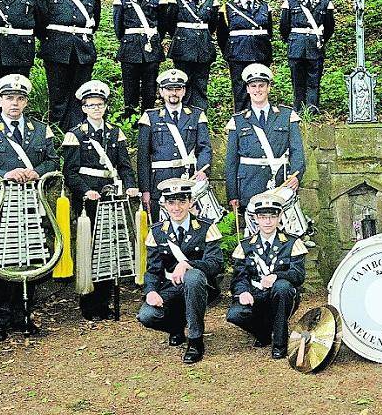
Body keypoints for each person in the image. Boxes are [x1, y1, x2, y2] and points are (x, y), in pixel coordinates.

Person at [0, 74, 60, 342]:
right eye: (9, 98)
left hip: (30, 202)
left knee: (27, 255)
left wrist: (36, 172)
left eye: (19, 98)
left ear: (26, 101)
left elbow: (53, 161)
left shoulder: (40, 130)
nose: (14, 103)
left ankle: (23, 315)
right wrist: (5, 174)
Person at [61, 80, 139, 321]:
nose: (96, 108)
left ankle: (105, 302)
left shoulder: (115, 132)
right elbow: (70, 172)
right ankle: (90, 303)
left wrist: (131, 186)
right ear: (83, 108)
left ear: (105, 106)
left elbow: (124, 166)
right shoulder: (75, 135)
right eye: (90, 105)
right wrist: (85, 191)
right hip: (89, 198)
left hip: (111, 194)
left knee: (110, 245)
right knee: (91, 246)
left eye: (100, 104)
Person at [137, 178, 223, 364]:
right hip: (170, 286)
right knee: (146, 315)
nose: (176, 208)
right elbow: (153, 270)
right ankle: (176, 327)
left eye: (182, 202)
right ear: (164, 204)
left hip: (201, 286)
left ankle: (195, 340)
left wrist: (188, 264)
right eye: (171, 202)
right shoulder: (158, 232)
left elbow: (216, 263)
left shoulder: (206, 228)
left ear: (191, 202)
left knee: (191, 277)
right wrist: (151, 291)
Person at [226, 191, 309, 359]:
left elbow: (298, 274)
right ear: (255, 219)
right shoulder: (245, 246)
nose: (268, 221)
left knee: (282, 286)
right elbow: (239, 277)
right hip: (256, 295)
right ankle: (263, 332)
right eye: (263, 217)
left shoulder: (292, 243)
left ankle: (280, 343)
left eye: (272, 216)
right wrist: (243, 291)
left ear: (279, 217)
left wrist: (277, 276)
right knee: (234, 314)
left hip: (281, 296)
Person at [35, 0, 102, 130]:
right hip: (56, 48)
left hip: (83, 49)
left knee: (81, 92)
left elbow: (94, 22)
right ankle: (58, 130)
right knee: (58, 93)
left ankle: (79, 130)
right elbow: (40, 22)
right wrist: (52, 40)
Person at [224, 63, 305, 213]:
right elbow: (231, 161)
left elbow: (297, 151)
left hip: (281, 182)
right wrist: (232, 194)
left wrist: (296, 176)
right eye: (253, 86)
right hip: (249, 184)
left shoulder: (286, 115)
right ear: (247, 89)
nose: (257, 90)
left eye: (261, 85)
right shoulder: (238, 121)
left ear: (268, 88)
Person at [136, 69, 212, 220]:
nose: (174, 93)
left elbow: (204, 148)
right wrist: (145, 189)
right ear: (161, 92)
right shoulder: (150, 117)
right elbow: (143, 157)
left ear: (184, 91)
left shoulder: (196, 115)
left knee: (194, 226)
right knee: (162, 229)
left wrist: (203, 170)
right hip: (160, 181)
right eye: (169, 89)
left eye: (178, 89)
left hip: (189, 179)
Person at [112, 0, 167, 116]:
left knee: (150, 86)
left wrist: (155, 38)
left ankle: (148, 117)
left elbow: (162, 25)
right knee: (130, 85)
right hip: (129, 47)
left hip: (151, 47)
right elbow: (118, 27)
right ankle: (131, 116)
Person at [279, 0, 335, 113]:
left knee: (314, 79)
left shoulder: (325, 3)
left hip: (315, 46)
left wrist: (321, 40)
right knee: (297, 80)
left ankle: (312, 109)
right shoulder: (290, 2)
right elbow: (284, 27)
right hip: (296, 46)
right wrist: (292, 40)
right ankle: (298, 109)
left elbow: (329, 27)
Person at [168, 0, 221, 111]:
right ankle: (182, 112)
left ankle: (200, 113)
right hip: (183, 47)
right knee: (182, 81)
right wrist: (184, 35)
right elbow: (170, 24)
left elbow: (212, 26)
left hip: (203, 46)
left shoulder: (211, 0)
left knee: (201, 82)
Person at [218, 0, 272, 112]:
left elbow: (269, 31)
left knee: (260, 87)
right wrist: (229, 53)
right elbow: (222, 35)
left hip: (260, 53)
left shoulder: (265, 7)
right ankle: (241, 118)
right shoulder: (228, 7)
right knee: (241, 88)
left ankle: (260, 116)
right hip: (238, 54)